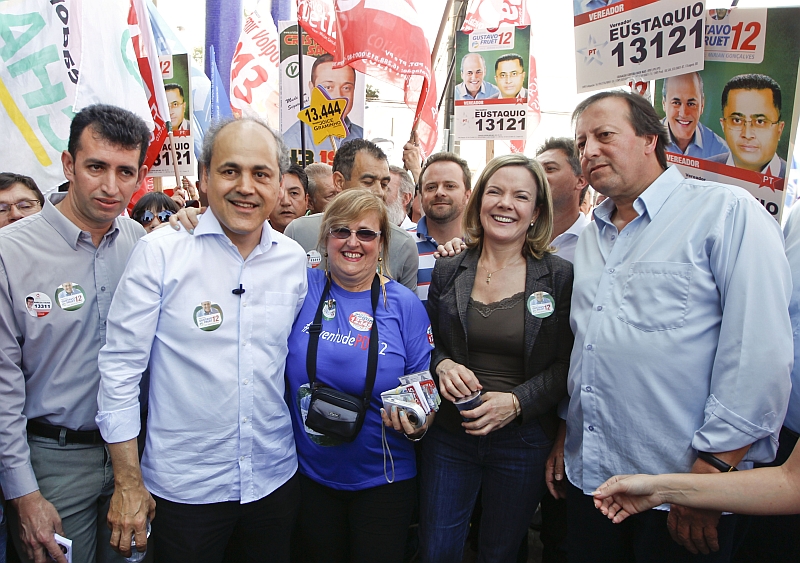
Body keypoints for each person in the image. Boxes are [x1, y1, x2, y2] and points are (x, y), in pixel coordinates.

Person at [558, 90, 792, 562]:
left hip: (682, 494)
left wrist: (709, 476)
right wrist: (567, 436)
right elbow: (588, 350)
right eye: (581, 143)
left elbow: (758, 354)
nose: (589, 151)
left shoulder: (725, 212)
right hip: (592, 482)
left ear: (651, 139)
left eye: (604, 135)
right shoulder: (590, 238)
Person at [96, 117, 307, 562]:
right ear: (205, 177)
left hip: (273, 481)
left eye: (261, 173)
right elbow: (119, 371)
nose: (246, 187)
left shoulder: (293, 260)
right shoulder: (161, 252)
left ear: (278, 184)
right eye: (231, 171)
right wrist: (128, 482)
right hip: (184, 493)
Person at [0, 104, 149, 563]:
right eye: (96, 167)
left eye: (125, 172)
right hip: (53, 462)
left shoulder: (144, 245)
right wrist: (23, 494)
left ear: (140, 175)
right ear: (69, 165)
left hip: (135, 456)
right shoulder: (10, 253)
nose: (110, 186)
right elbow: (2, 388)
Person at [419, 154, 574, 563]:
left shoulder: (558, 276)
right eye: (496, 192)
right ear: (479, 201)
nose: (506, 203)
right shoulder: (448, 268)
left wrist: (518, 402)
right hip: (451, 434)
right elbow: (427, 343)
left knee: (500, 552)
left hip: (522, 440)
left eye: (521, 196)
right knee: (437, 550)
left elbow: (567, 364)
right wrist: (442, 364)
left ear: (536, 211)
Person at [285, 189, 433, 563]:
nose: (353, 242)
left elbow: (424, 386)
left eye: (366, 233)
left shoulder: (404, 305)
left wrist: (418, 420)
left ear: (381, 244)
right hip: (309, 476)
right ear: (325, 239)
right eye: (341, 231)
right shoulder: (300, 288)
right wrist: (187, 220)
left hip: (384, 478)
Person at [284, 139, 419, 291]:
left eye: (384, 184)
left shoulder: (403, 244)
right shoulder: (298, 232)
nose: (379, 192)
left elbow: (405, 304)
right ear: (339, 182)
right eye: (368, 182)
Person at [283, 54, 363, 165]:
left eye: (346, 88)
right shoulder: (291, 140)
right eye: (328, 87)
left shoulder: (362, 137)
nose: (338, 96)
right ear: (312, 89)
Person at [414, 152, 472, 303]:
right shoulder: (401, 244)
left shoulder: (483, 246)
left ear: (468, 195)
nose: (439, 192)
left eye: (450, 186)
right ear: (421, 195)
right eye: (431, 187)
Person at [709, 74, 786, 176]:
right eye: (737, 120)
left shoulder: (793, 180)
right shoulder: (704, 170)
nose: (747, 134)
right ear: (723, 125)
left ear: (779, 129)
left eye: (760, 121)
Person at [536, 137, 591, 263]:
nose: (538, 176)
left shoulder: (596, 242)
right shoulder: (517, 235)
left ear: (580, 181)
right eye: (536, 170)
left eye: (550, 168)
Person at [661, 73, 729, 159]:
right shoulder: (647, 140)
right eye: (676, 103)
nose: (683, 113)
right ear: (664, 104)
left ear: (702, 105)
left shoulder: (721, 150)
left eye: (691, 104)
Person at [270, 164, 309, 233]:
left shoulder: (320, 236)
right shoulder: (252, 237)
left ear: (306, 200)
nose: (286, 202)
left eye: (294, 193)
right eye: (278, 193)